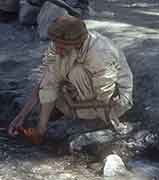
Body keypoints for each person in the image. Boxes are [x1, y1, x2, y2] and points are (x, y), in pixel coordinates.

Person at [8, 16, 133, 144]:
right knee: (55, 67)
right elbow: (46, 79)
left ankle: (89, 118)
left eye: (62, 48)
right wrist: (21, 116)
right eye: (56, 45)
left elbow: (106, 99)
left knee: (75, 72)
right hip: (82, 95)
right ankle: (41, 129)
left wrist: (72, 103)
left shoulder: (99, 54)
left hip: (111, 104)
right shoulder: (60, 44)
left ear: (77, 44)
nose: (58, 50)